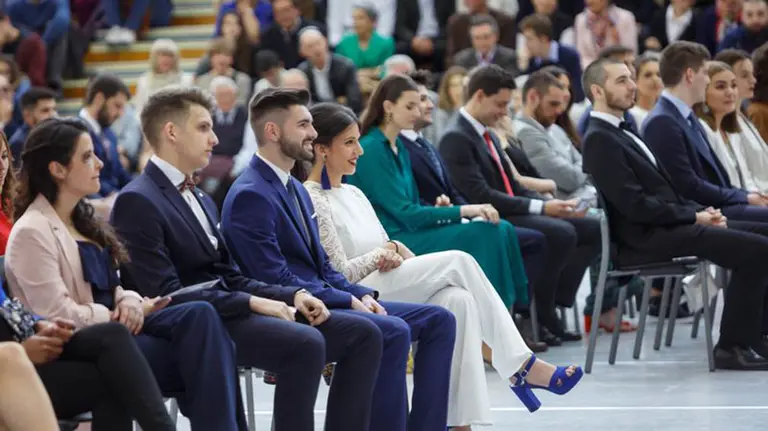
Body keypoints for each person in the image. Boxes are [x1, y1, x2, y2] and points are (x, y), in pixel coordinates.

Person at [111, 86, 383, 431]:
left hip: (221, 309)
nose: (214, 140)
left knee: (345, 334)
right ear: (171, 133)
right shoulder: (137, 200)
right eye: (204, 128)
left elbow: (229, 274)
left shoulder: (201, 196)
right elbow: (167, 293)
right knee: (306, 341)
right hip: (188, 322)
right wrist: (254, 302)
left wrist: (291, 295)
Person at [301, 101, 583, 426]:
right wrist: (384, 253)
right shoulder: (313, 198)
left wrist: (395, 252)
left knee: (457, 301)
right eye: (349, 142)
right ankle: (522, 366)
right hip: (360, 293)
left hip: (387, 279)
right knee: (459, 261)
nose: (359, 151)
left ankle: (456, 422)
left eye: (358, 141)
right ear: (322, 149)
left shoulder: (354, 194)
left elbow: (388, 245)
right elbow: (338, 274)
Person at [220, 86, 455, 431]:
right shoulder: (250, 194)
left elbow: (324, 266)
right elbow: (273, 279)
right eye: (303, 125)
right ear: (273, 132)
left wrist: (360, 294)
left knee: (439, 320)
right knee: (390, 330)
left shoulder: (294, 187)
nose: (313, 133)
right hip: (291, 309)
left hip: (323, 297)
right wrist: (345, 298)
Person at [5, 117, 245, 430]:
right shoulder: (32, 231)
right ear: (58, 169)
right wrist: (114, 314)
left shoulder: (83, 217)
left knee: (200, 315)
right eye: (87, 156)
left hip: (116, 327)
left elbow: (114, 284)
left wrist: (130, 300)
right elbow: (54, 313)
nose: (101, 164)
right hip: (78, 340)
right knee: (204, 355)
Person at [581, 57, 768, 370]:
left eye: (630, 78)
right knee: (758, 250)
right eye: (622, 81)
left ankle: (756, 337)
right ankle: (732, 346)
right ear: (598, 90)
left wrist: (702, 211)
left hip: (665, 227)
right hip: (643, 239)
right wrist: (694, 217)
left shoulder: (623, 130)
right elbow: (635, 205)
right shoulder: (599, 137)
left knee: (763, 235)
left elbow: (664, 193)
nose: (632, 86)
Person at [439, 64, 601, 344]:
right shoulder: (456, 137)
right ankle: (531, 313)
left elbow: (513, 185)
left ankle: (551, 304)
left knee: (589, 228)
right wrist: (541, 208)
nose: (505, 112)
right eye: (500, 104)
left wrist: (547, 202)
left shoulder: (485, 132)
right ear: (479, 96)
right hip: (487, 215)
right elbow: (481, 194)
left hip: (508, 208)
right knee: (559, 233)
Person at [348, 75, 535, 311]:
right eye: (409, 106)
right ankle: (495, 313)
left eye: (418, 105)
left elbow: (411, 204)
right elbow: (405, 213)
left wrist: (441, 209)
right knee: (484, 233)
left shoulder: (398, 147)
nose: (417, 112)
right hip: (394, 238)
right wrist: (465, 210)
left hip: (410, 228)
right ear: (388, 107)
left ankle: (506, 311)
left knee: (498, 228)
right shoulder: (373, 148)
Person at [643, 41, 768, 223]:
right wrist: (744, 197)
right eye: (704, 73)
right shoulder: (662, 121)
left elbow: (716, 178)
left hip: (720, 205)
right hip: (702, 214)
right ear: (690, 75)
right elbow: (688, 186)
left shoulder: (685, 114)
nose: (707, 80)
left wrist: (746, 195)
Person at [694, 61, 760, 192]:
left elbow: (747, 180)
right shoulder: (702, 130)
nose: (730, 92)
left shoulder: (730, 131)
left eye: (734, 85)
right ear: (703, 92)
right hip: (727, 204)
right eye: (720, 87)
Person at [716, 48, 768, 192]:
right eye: (745, 75)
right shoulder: (724, 125)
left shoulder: (743, 118)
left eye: (752, 74)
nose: (753, 80)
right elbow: (742, 177)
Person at [79, 74, 133, 199]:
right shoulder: (75, 133)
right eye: (117, 106)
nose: (120, 114)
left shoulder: (110, 134)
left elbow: (121, 174)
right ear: (99, 99)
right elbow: (83, 181)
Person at [297, 27, 363, 114]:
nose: (316, 49)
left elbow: (354, 101)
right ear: (302, 51)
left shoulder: (345, 66)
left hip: (344, 114)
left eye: (318, 43)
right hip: (317, 116)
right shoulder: (302, 71)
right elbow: (304, 103)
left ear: (326, 42)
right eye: (310, 46)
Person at [133, 39, 194, 115]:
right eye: (162, 55)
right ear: (154, 58)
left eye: (170, 56)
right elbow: (139, 110)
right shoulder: (144, 81)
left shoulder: (186, 80)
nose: (166, 59)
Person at [8, 87, 56, 168]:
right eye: (45, 110)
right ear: (27, 115)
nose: (53, 115)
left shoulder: (54, 136)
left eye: (54, 109)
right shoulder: (19, 143)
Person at [628, 54, 662, 129]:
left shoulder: (668, 114)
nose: (655, 79)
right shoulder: (630, 116)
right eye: (648, 75)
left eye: (659, 75)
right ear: (635, 80)